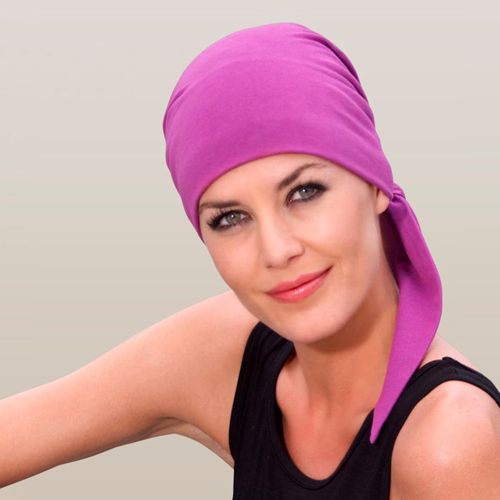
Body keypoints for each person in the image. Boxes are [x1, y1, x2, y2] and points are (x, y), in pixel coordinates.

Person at [1, 21, 499, 499]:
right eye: (231, 218)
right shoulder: (230, 347)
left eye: (305, 192)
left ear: (374, 184)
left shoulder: (449, 441)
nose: (277, 250)